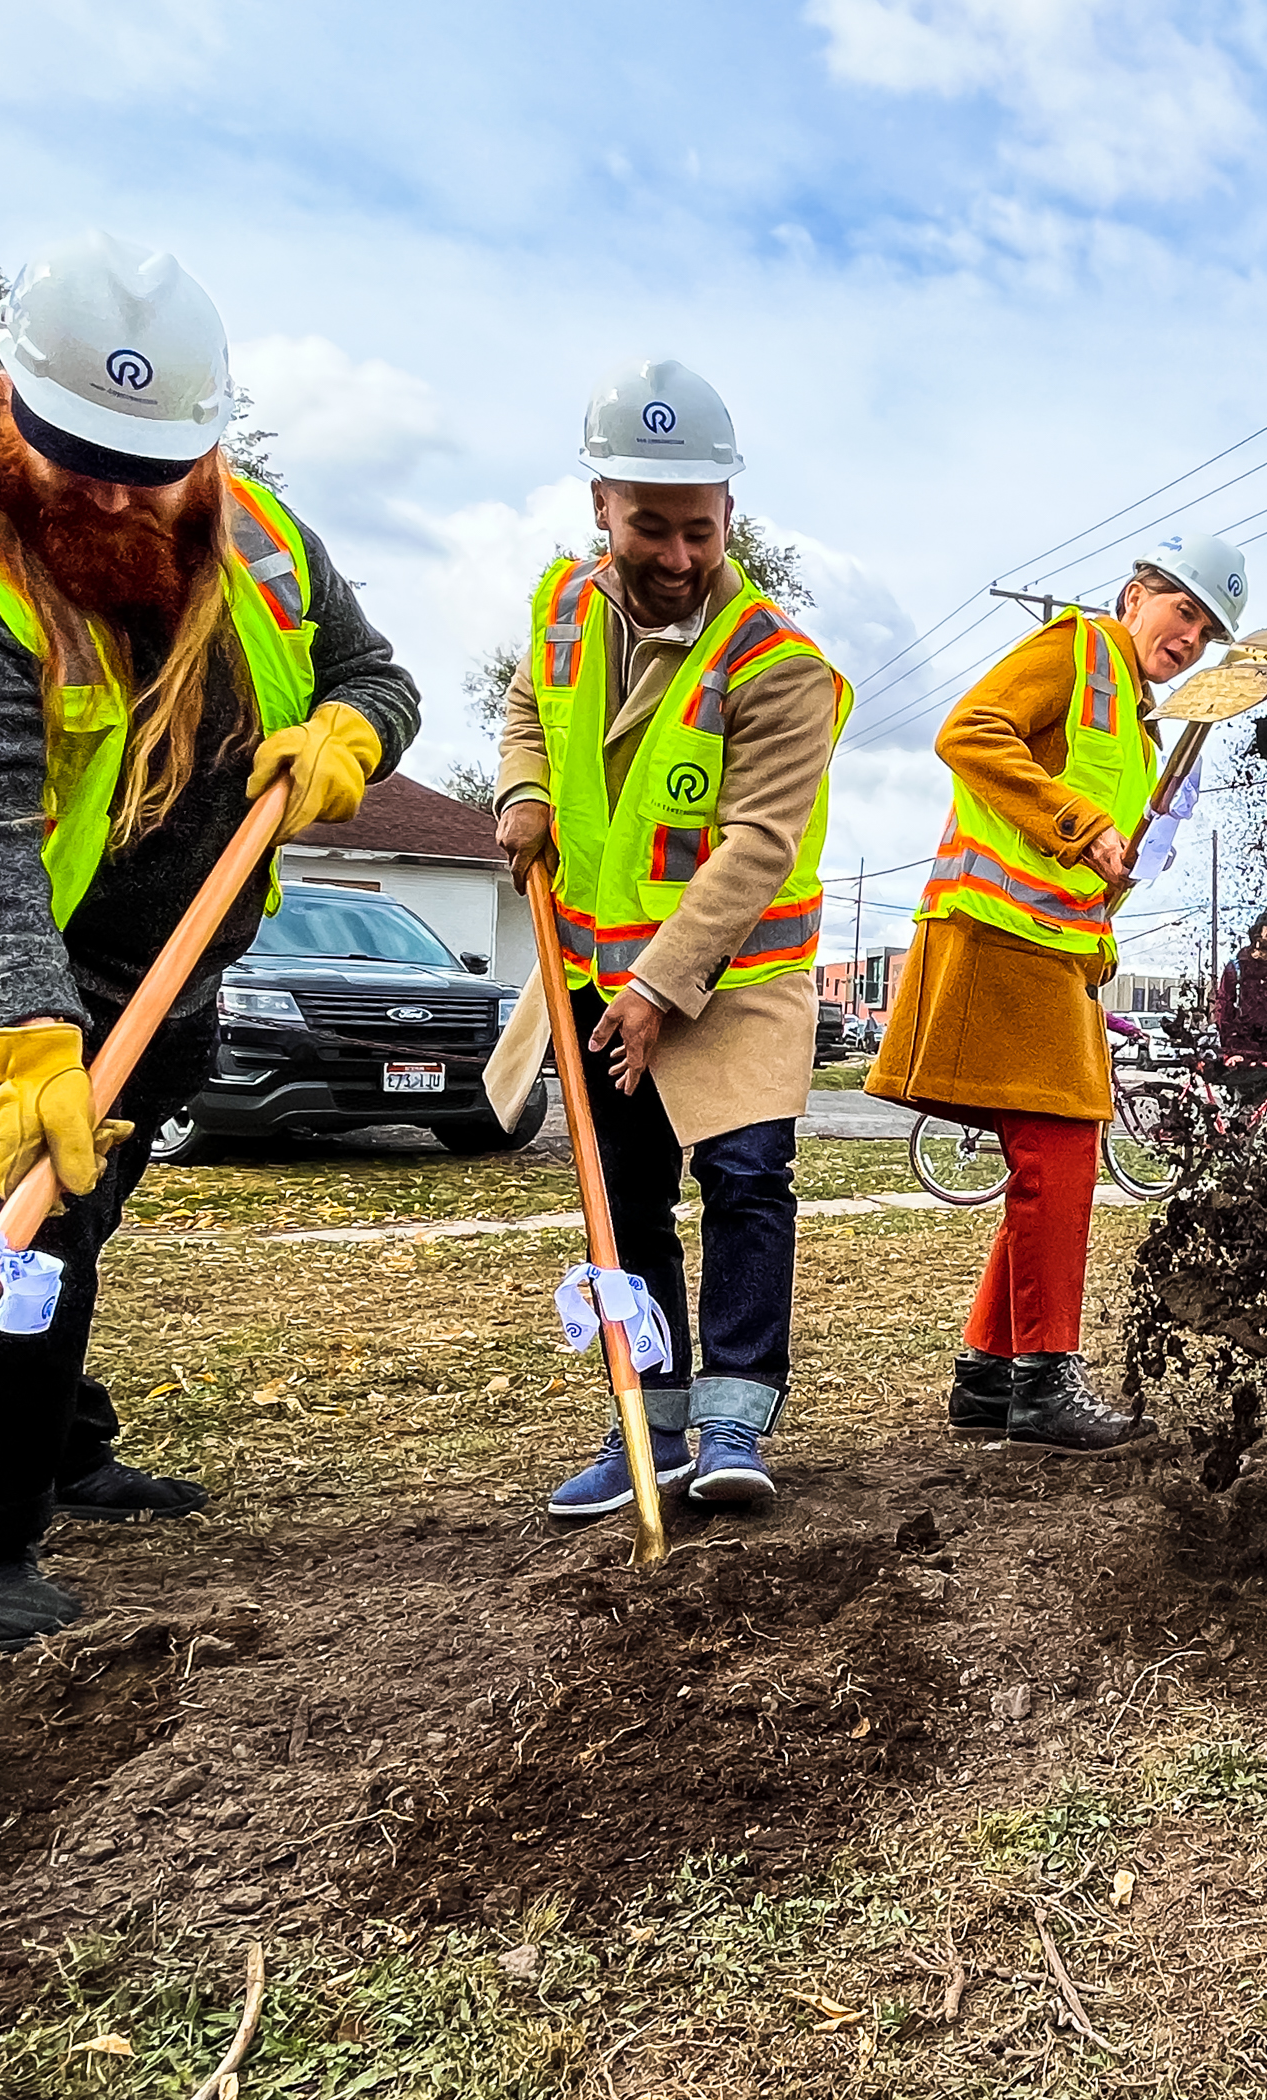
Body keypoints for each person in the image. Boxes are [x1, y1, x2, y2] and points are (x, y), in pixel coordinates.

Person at [0, 232, 419, 1650]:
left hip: (167, 970)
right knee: (21, 1215)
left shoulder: (270, 545)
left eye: (141, 464)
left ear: (205, 448)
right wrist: (30, 1035)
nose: (104, 489)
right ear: (3, 414)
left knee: (81, 1216)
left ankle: (60, 1442)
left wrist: (355, 733)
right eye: (67, 451)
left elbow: (377, 673)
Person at [487, 360, 853, 1515]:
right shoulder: (562, 605)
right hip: (593, 968)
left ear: (729, 516)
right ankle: (646, 1420)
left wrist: (659, 988)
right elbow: (523, 708)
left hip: (735, 972)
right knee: (625, 1196)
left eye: (701, 530)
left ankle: (736, 1419)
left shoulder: (778, 664)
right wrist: (520, 793)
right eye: (652, 527)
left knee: (746, 1178)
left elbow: (754, 847)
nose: (679, 556)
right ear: (603, 506)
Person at [870, 530, 1250, 1453]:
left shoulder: (1142, 721)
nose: (1191, 638)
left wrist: (1104, 911)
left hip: (1053, 955)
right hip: (997, 942)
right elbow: (969, 732)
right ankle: (1041, 1380)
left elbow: (1094, 864)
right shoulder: (1076, 650)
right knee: (1063, 1151)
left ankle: (990, 1374)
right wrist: (1080, 823)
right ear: (1135, 597)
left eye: (1207, 632)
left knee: (1054, 1155)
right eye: (1183, 612)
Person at [1212, 910, 1267, 1100]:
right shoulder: (1236, 967)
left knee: (1264, 1105)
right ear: (1257, 933)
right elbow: (1224, 1008)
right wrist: (1231, 1048)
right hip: (1241, 1048)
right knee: (1239, 1101)